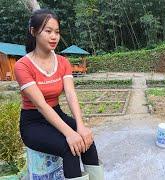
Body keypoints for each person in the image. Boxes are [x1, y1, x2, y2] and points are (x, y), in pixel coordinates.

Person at [14, 9, 104, 179]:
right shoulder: (22, 66)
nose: (54, 36)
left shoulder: (63, 62)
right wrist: (70, 134)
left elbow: (70, 94)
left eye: (56, 32)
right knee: (70, 147)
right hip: (33, 122)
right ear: (33, 32)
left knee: (87, 141)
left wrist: (80, 126)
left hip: (57, 114)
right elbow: (40, 105)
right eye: (48, 31)